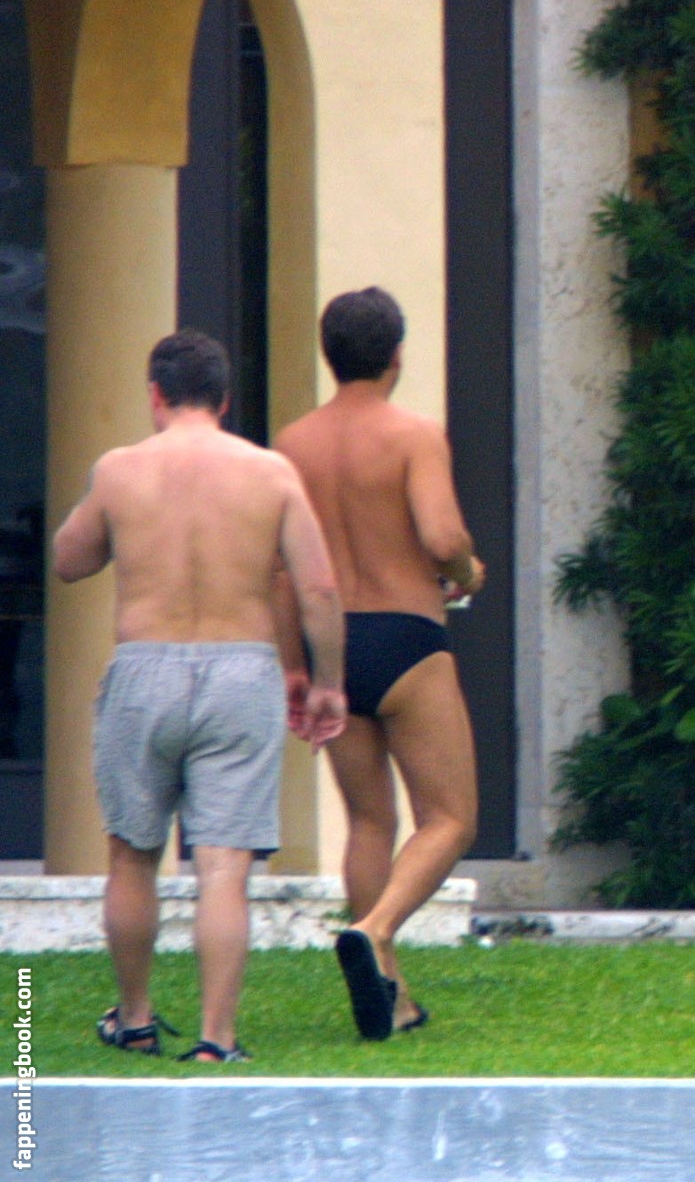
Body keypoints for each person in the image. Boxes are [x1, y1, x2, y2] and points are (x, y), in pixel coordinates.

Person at [53, 330, 347, 1064]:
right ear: (225, 399)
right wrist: (328, 683)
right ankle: (218, 1037)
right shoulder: (270, 473)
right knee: (222, 866)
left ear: (155, 394)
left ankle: (135, 1018)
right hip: (242, 670)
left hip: (143, 669)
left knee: (132, 857)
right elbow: (317, 588)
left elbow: (68, 560)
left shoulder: (119, 469)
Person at [274, 287, 483, 1041]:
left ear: (329, 355)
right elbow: (441, 537)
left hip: (331, 645)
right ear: (396, 354)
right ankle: (378, 928)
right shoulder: (413, 435)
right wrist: (467, 569)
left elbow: (281, 570)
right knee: (450, 819)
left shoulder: (292, 444)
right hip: (405, 637)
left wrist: (295, 666)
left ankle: (389, 995)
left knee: (368, 820)